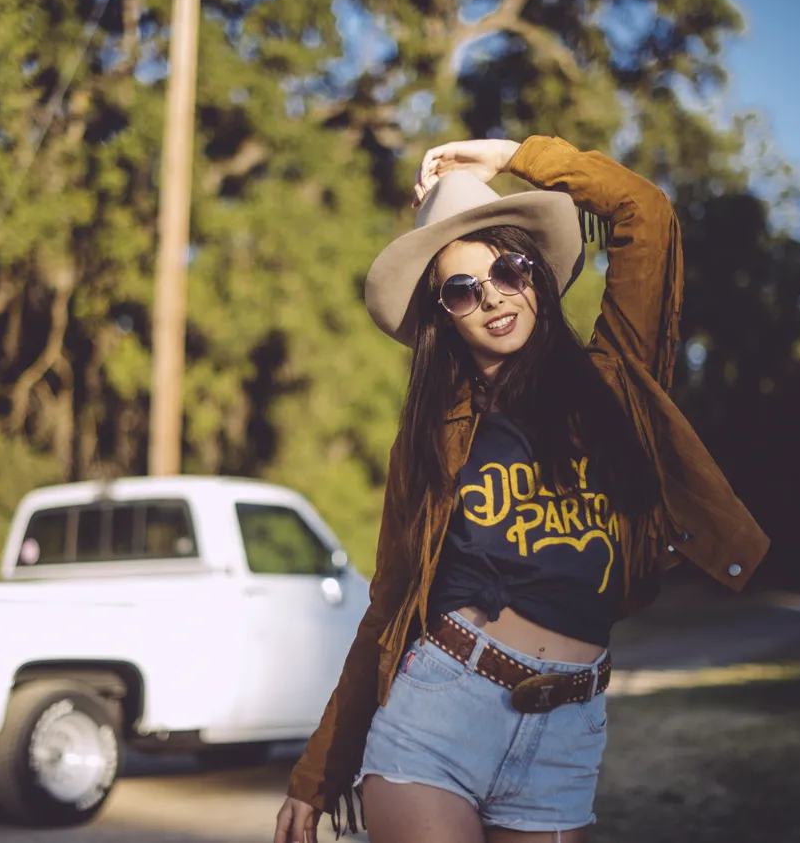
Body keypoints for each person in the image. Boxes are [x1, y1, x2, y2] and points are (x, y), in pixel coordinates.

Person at [273, 136, 769, 843]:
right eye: (461, 288)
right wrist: (317, 773)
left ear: (534, 268)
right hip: (440, 713)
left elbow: (646, 215)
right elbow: (388, 605)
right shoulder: (434, 438)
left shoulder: (614, 381)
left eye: (507, 268)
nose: (493, 298)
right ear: (443, 313)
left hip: (569, 728)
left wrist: (509, 155)